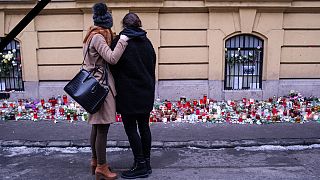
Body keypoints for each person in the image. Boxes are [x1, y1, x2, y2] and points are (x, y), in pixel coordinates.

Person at [83, 3, 129, 180]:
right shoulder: (98, 38)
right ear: (106, 22)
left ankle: (95, 161)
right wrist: (123, 41)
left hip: (93, 84)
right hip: (101, 87)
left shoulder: (90, 35)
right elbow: (112, 58)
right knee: (102, 128)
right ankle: (101, 167)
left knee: (96, 125)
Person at [110, 13, 156, 179]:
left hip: (128, 92)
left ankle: (140, 164)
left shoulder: (120, 42)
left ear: (124, 25)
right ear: (139, 24)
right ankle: (147, 162)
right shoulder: (147, 42)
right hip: (145, 91)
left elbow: (112, 64)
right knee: (144, 126)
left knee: (131, 128)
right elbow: (152, 65)